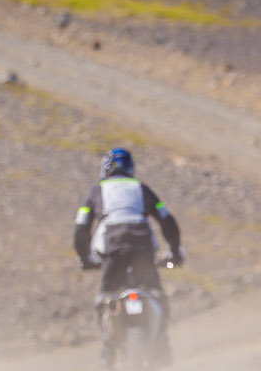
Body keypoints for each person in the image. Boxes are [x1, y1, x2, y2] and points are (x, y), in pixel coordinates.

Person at [73, 146, 183, 358]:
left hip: (112, 250)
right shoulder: (141, 188)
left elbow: (81, 227)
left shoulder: (97, 191)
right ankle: (161, 344)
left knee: (105, 298)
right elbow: (167, 220)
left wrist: (84, 257)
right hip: (143, 249)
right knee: (157, 295)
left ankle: (107, 344)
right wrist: (175, 252)